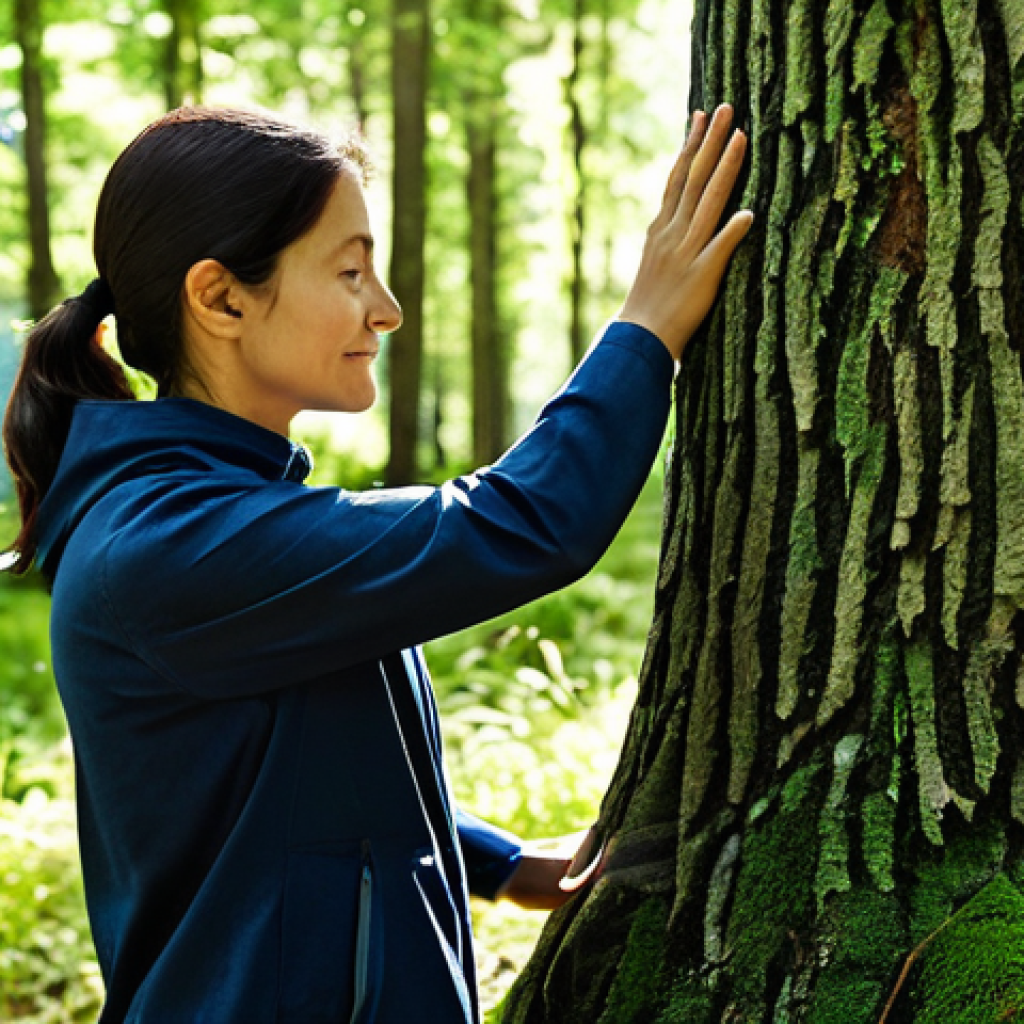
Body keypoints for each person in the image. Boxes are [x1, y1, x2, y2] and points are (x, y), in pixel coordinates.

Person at [2, 103, 751, 1023]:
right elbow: (524, 523)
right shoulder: (168, 545)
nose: (386, 309)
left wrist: (493, 861)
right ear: (222, 298)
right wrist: (645, 331)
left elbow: (283, 779)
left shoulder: (212, 518)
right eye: (351, 271)